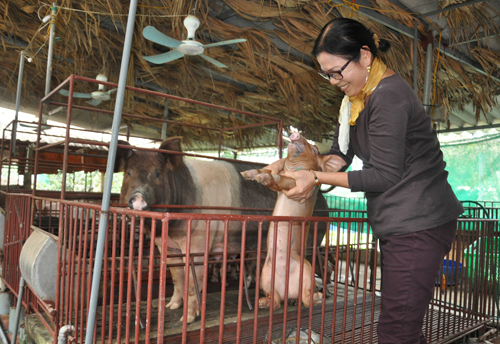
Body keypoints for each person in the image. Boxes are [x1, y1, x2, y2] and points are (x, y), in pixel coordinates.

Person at [263, 18, 464, 343]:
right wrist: (296, 164)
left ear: (365, 56)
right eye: (326, 74)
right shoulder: (355, 102)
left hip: (419, 224)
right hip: (400, 225)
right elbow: (338, 157)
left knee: (396, 331)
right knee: (400, 326)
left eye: (337, 71)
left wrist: (314, 176)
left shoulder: (388, 98)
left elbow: (383, 176)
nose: (332, 81)